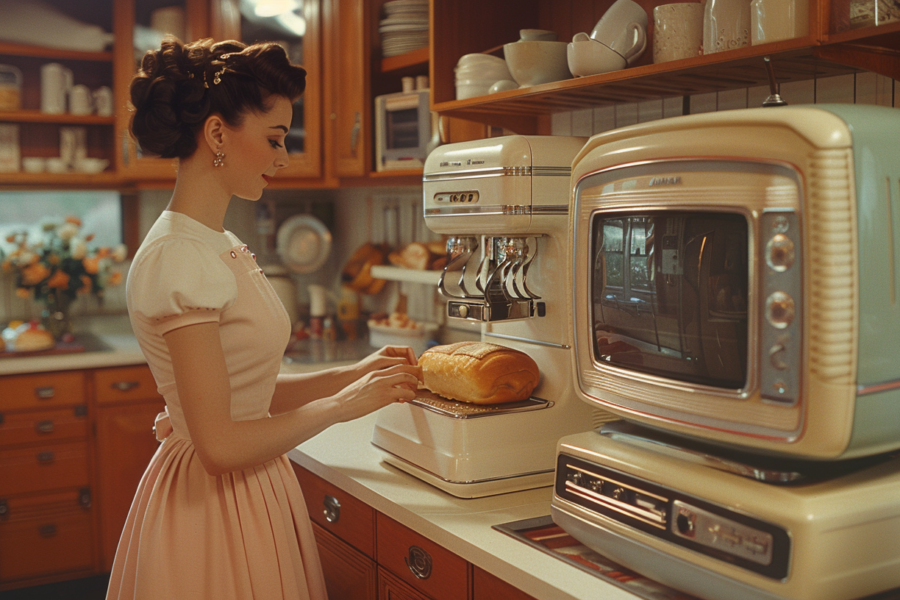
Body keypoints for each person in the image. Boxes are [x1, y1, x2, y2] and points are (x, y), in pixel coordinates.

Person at [107, 36, 422, 600]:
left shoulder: (216, 242)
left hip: (251, 491)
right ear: (218, 134)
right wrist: (340, 406)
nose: (283, 157)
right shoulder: (178, 256)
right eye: (275, 139)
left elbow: (246, 397)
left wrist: (354, 371)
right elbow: (221, 445)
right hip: (213, 506)